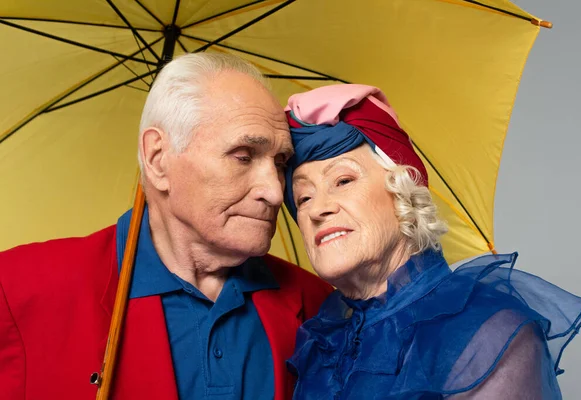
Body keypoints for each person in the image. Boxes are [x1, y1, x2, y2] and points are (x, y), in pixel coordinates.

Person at [0, 53, 332, 400]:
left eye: (280, 162)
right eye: (244, 156)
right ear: (158, 159)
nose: (275, 191)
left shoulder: (319, 305)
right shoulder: (16, 290)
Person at [282, 84, 581, 399]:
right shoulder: (320, 347)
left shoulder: (486, 332)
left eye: (344, 180)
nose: (318, 209)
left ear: (402, 191)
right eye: (303, 197)